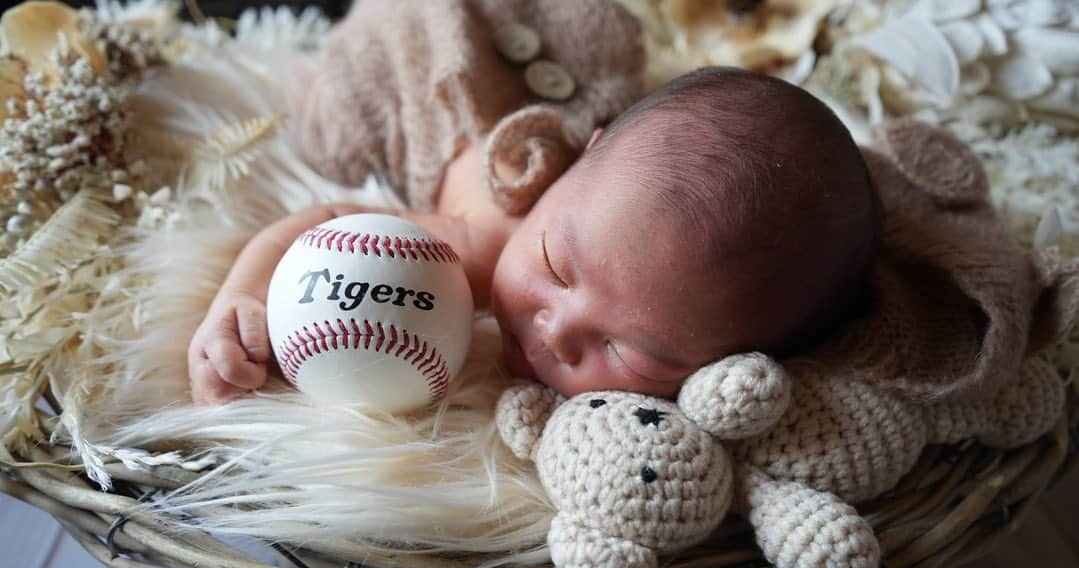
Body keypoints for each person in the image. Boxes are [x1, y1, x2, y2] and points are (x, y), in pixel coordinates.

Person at [188, 64, 880, 406]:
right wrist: (243, 300)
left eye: (630, 350)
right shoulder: (471, 251)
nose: (555, 331)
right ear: (580, 160)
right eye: (554, 264)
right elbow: (326, 226)